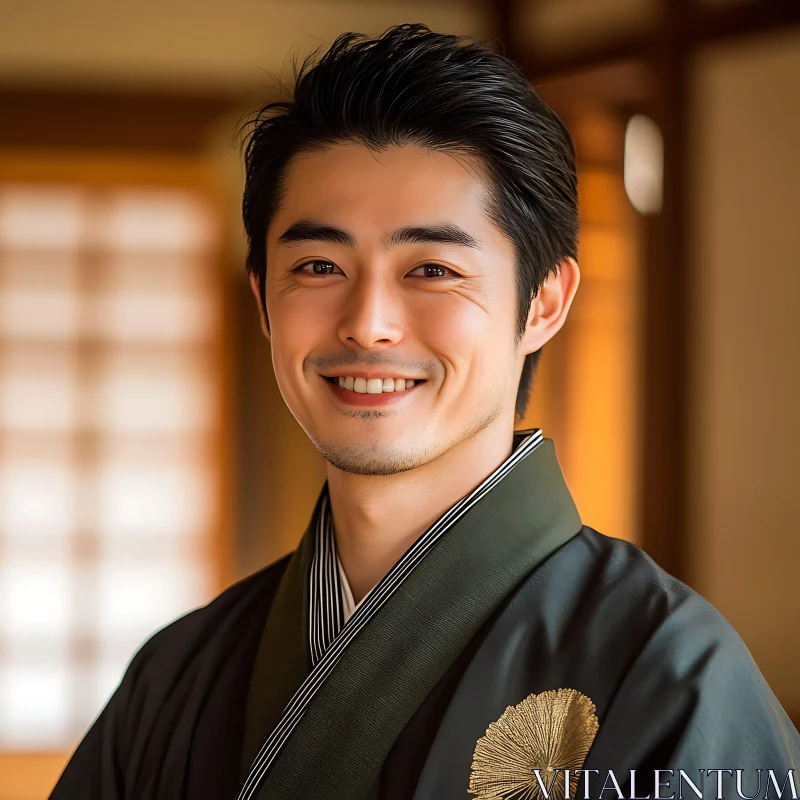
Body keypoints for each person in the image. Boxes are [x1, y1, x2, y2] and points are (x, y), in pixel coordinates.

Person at [50, 23, 799, 800]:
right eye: (317, 265)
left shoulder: (667, 672)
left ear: (543, 302)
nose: (369, 321)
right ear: (263, 301)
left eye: (433, 268)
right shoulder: (179, 676)